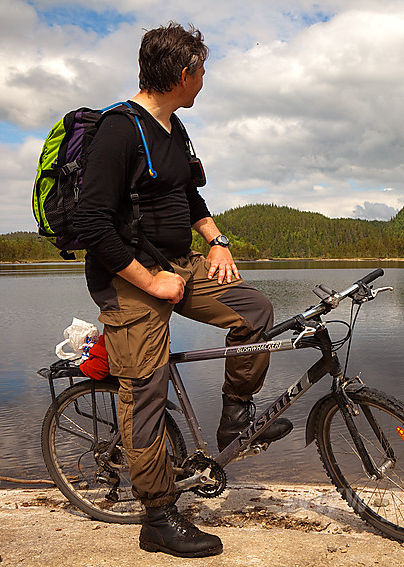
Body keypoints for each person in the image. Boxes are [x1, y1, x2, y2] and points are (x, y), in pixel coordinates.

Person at [72, 21, 292, 559]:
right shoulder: (119, 130)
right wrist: (151, 280)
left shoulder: (175, 129)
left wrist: (217, 243)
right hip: (129, 281)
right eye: (201, 74)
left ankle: (235, 415)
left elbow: (189, 198)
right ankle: (158, 517)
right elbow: (91, 222)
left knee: (255, 312)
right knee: (146, 391)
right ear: (181, 74)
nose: (203, 84)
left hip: (179, 266)